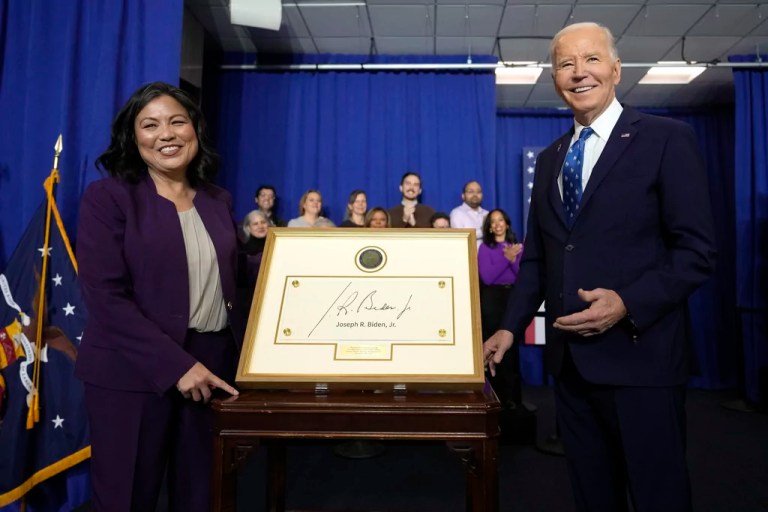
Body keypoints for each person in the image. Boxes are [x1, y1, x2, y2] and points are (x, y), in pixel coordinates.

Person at [483, 22, 716, 512]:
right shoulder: (551, 160)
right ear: (554, 76)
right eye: (566, 63)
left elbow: (696, 251)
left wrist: (628, 302)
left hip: (643, 359)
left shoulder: (666, 139)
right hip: (571, 369)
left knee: (660, 496)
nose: (578, 72)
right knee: (593, 496)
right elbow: (541, 258)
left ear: (615, 69)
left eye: (590, 60)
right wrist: (509, 327)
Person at [75, 82, 242, 512]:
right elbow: (106, 297)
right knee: (127, 498)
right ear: (134, 139)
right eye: (150, 125)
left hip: (211, 365)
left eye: (177, 122)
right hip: (130, 371)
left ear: (195, 130)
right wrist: (177, 366)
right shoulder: (108, 198)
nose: (165, 134)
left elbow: (237, 275)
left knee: (203, 496)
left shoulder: (217, 200)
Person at [477, 209, 525, 412]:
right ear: (489, 226)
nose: (497, 224)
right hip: (491, 300)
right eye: (493, 221)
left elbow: (521, 277)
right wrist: (507, 258)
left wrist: (513, 259)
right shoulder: (484, 248)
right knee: (492, 345)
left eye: (500, 220)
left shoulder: (517, 247)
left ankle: (512, 398)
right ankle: (492, 396)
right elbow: (488, 278)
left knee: (511, 350)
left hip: (512, 299)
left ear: (506, 224)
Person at [241, 209, 269, 287]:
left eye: (263, 222)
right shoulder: (244, 251)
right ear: (248, 228)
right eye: (255, 224)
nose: (260, 226)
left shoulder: (276, 246)